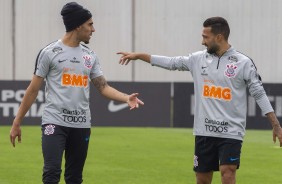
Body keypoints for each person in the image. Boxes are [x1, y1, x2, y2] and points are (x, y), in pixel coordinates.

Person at [118, 17, 282, 184]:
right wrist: (139, 56)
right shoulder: (197, 59)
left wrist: (275, 124)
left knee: (228, 172)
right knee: (202, 179)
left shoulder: (243, 63)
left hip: (231, 131)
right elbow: (171, 62)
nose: (202, 41)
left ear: (219, 37)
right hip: (204, 131)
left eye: (205, 37)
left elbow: (259, 93)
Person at [9, 2, 144, 184]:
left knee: (74, 178)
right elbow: (33, 90)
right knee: (51, 173)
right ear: (78, 25)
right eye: (90, 24)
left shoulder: (90, 56)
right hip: (54, 122)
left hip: (81, 125)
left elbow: (103, 87)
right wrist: (17, 122)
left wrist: (126, 98)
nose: (93, 29)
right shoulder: (49, 53)